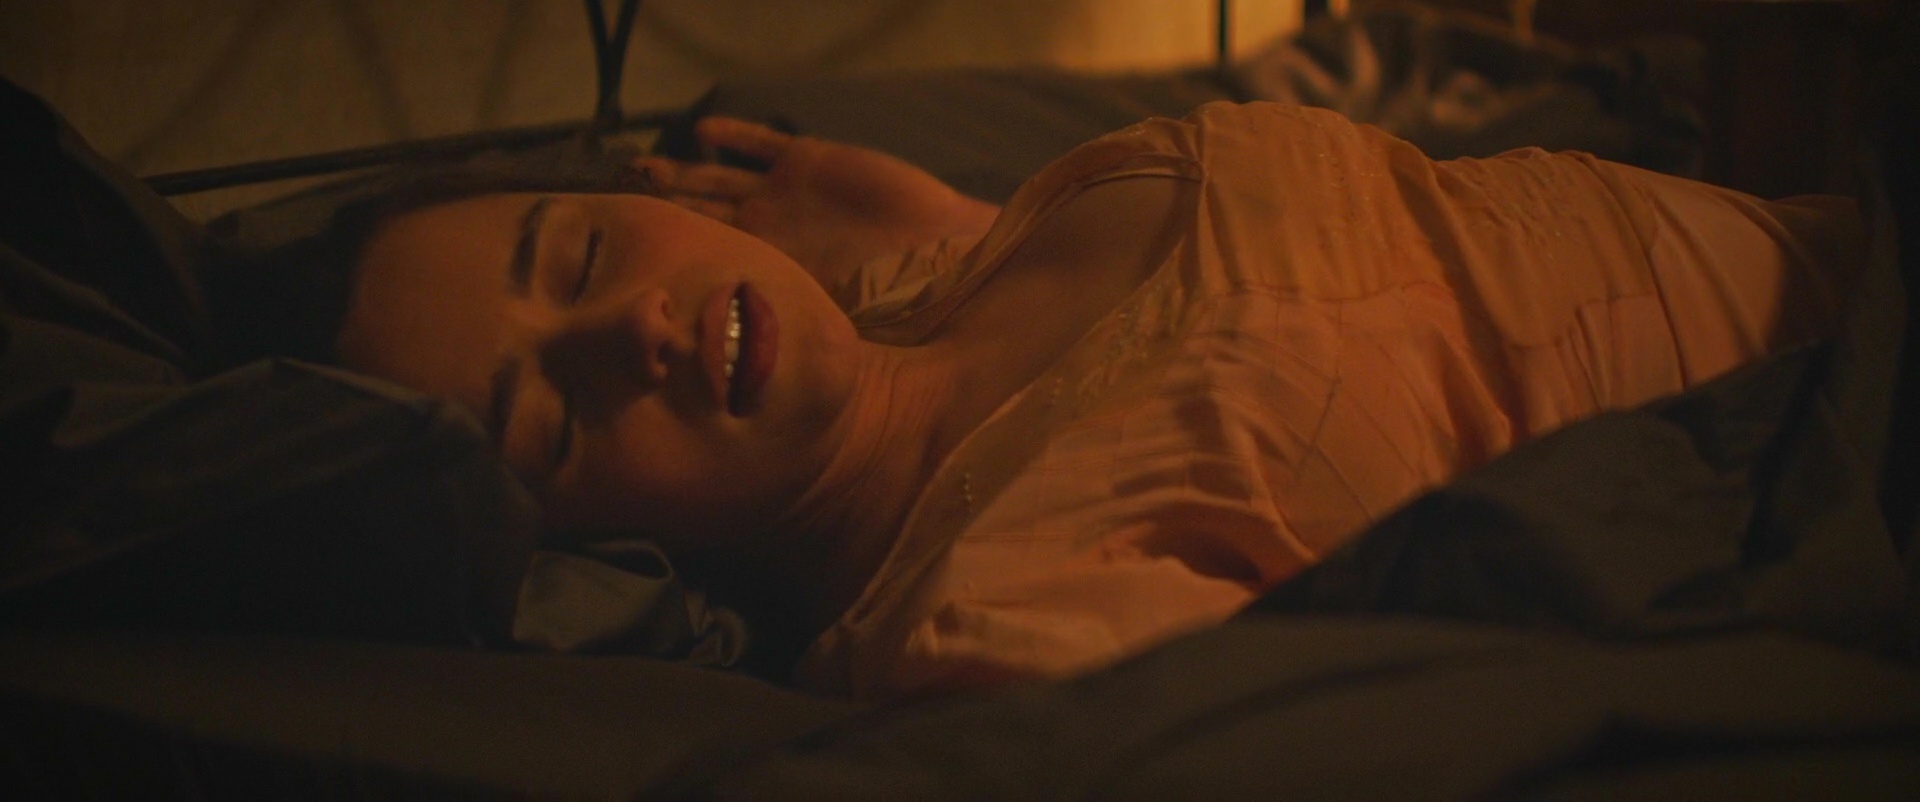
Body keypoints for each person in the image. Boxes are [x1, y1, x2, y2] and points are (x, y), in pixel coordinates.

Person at [328, 101, 1863, 701]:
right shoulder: (990, 627)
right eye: (553, 421)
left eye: (581, 253)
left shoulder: (927, 265)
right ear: (593, 554)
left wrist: (953, 220)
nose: (632, 331)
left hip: (1849, 230)